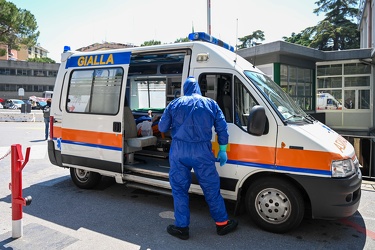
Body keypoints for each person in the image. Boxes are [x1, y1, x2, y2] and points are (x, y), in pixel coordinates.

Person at [158, 76, 238, 240]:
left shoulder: (175, 103)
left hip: (179, 150)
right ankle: (222, 224)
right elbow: (222, 128)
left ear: (185, 88)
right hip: (202, 151)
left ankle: (181, 228)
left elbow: (162, 127)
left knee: (179, 190)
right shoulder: (210, 104)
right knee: (211, 188)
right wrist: (222, 149)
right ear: (199, 89)